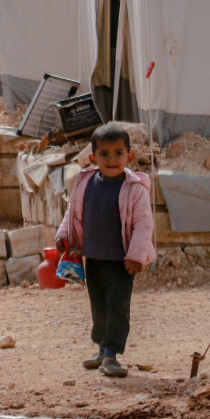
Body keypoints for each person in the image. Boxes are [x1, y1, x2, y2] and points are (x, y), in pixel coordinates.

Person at [55, 123, 156, 378]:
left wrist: (136, 257)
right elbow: (74, 211)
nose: (112, 159)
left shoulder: (135, 189)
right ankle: (101, 349)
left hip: (122, 263)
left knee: (117, 308)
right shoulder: (86, 182)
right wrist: (64, 235)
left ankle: (111, 355)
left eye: (118, 153)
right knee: (98, 306)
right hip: (94, 258)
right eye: (105, 154)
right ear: (93, 157)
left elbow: (144, 225)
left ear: (129, 156)